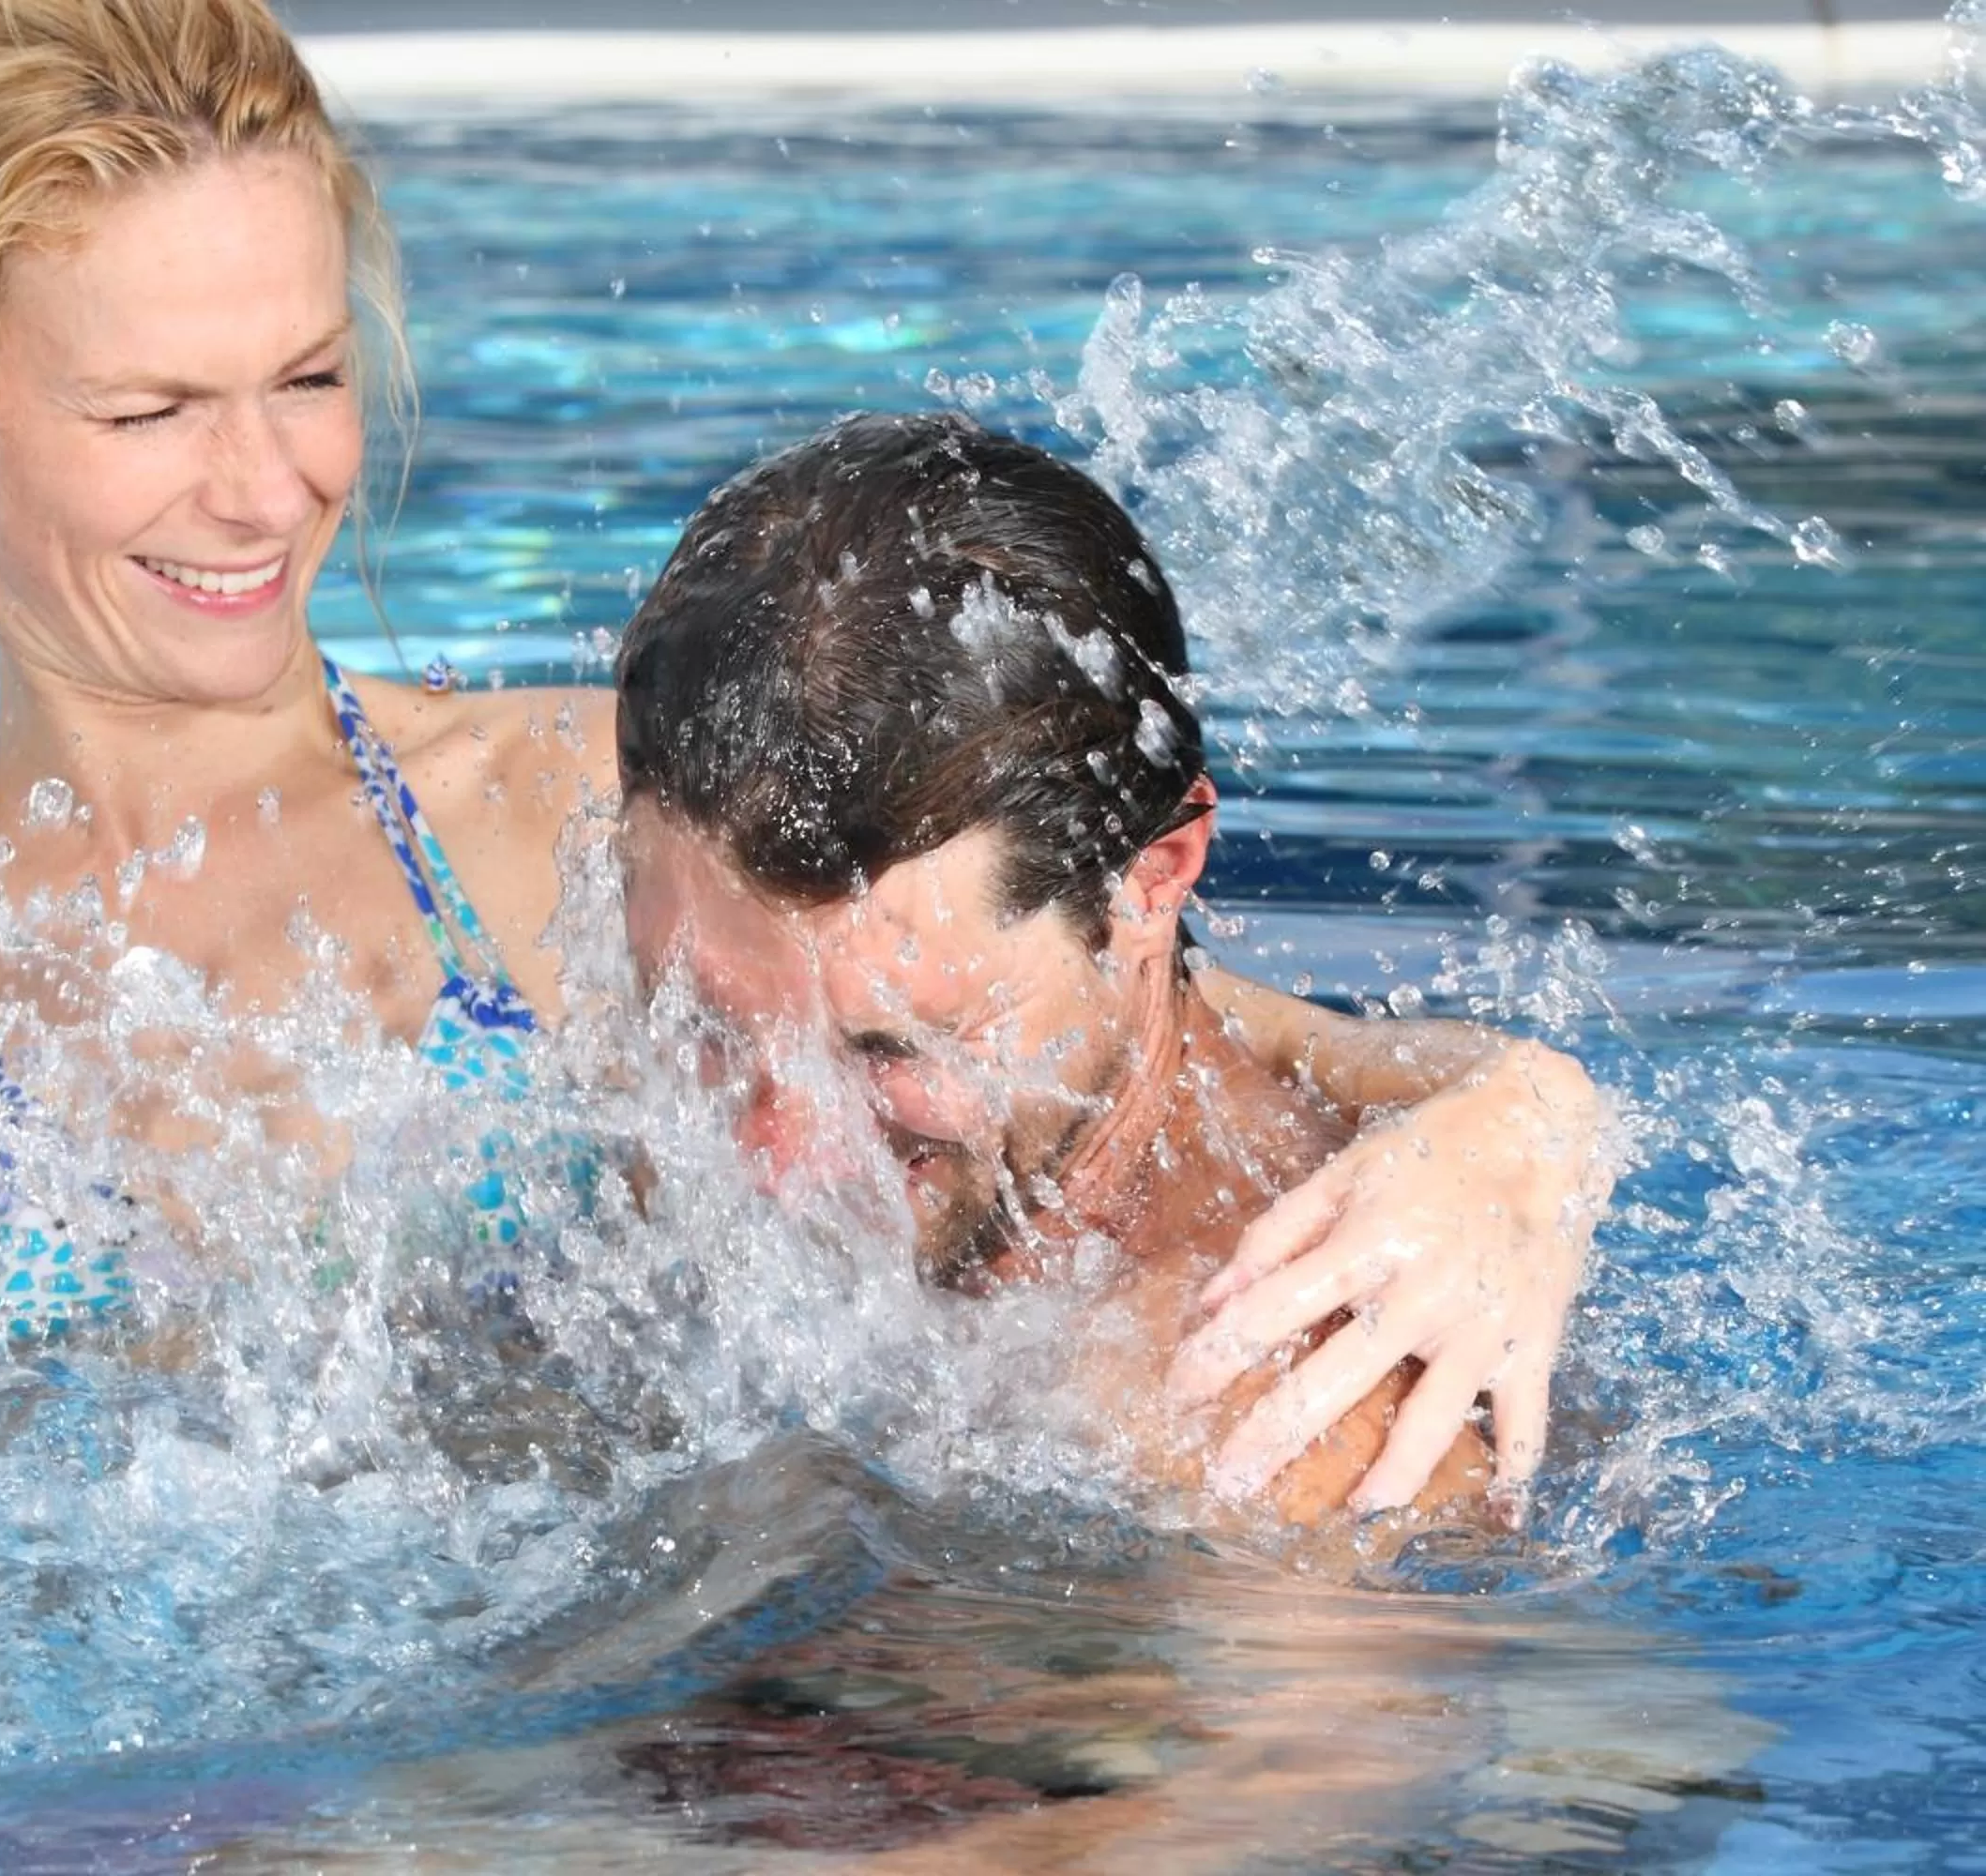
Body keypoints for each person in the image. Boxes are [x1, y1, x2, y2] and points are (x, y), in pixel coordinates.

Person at [0, 0, 1599, 1517]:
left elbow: (1152, 1027)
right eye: (147, 410)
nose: (260, 488)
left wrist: (1524, 1131)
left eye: (302, 375)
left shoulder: (590, 806)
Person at [614, 412, 1598, 1519]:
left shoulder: (1262, 1416)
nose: (773, 1163)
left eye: (893, 1047)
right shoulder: (787, 1024)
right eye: (706, 1024)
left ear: (1149, 882)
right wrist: (1531, 1097)